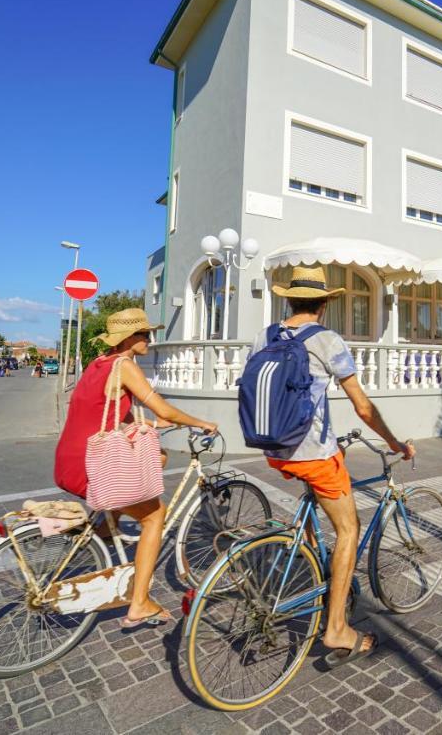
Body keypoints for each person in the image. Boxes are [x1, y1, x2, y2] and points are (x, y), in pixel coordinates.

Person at [247, 266, 415, 667]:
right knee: (348, 528)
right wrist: (394, 443)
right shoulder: (327, 339)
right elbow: (361, 405)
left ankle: (309, 558)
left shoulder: (264, 335)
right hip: (312, 452)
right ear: (325, 303)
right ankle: (337, 627)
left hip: (273, 446)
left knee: (314, 500)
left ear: (288, 300)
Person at [54, 308, 218, 626]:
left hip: (69, 458)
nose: (149, 339)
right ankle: (140, 603)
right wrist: (201, 422)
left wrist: (150, 424)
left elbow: (107, 408)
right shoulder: (124, 365)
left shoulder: (98, 363)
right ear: (129, 337)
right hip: (91, 467)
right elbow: (161, 406)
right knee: (156, 516)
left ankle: (104, 529)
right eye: (145, 334)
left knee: (153, 458)